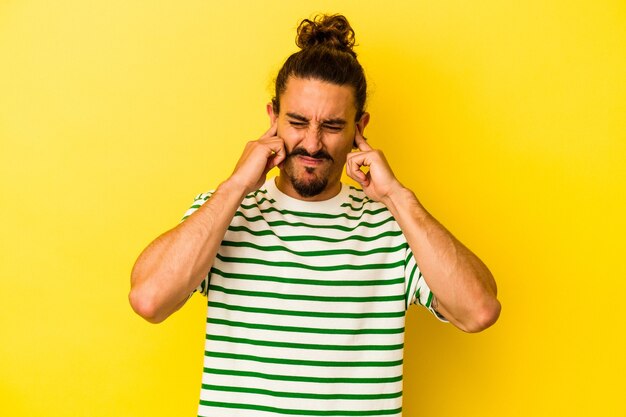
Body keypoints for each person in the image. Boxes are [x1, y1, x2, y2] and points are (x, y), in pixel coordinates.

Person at [129, 14, 500, 417]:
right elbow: (149, 300)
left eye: (333, 126)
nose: (312, 143)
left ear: (360, 128)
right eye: (297, 121)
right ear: (273, 117)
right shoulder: (224, 213)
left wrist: (396, 196)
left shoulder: (393, 226)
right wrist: (235, 186)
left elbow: (478, 311)